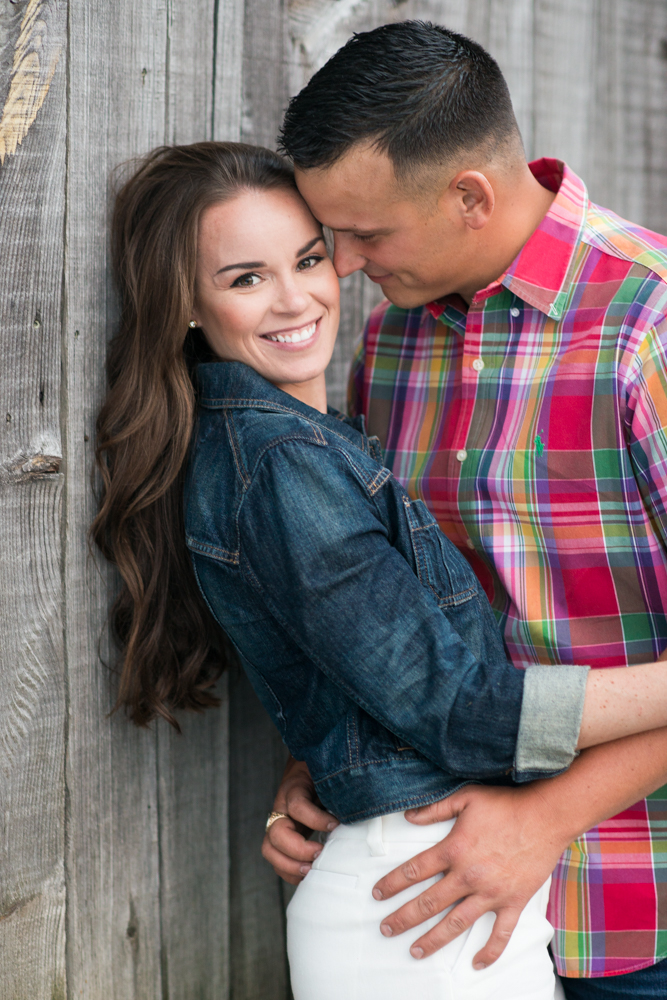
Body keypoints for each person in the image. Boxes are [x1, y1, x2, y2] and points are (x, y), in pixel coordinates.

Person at [93, 140, 667, 999]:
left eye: (310, 258)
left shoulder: (311, 440)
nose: (302, 296)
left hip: (444, 882)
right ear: (184, 303)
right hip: (421, 896)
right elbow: (453, 705)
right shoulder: (284, 462)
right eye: (245, 278)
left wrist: (331, 757)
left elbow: (373, 652)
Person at [268, 19, 667, 999]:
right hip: (440, 921)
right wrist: (330, 762)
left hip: (635, 911)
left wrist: (544, 820)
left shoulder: (647, 329)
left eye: (365, 233)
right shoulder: (393, 348)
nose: (346, 266)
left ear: (469, 195)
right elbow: (400, 615)